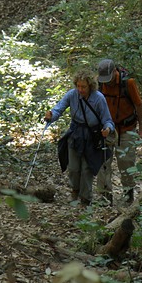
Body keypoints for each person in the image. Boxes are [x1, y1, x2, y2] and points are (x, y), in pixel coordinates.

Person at [45, 69, 114, 207]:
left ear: (90, 86)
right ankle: (75, 191)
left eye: (83, 87)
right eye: (78, 86)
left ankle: (86, 199)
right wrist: (51, 115)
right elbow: (59, 108)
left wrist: (107, 129)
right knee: (74, 168)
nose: (80, 89)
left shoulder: (99, 98)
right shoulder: (72, 95)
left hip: (92, 137)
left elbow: (108, 120)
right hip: (75, 134)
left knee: (87, 169)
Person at [96, 58, 142, 205]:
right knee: (103, 162)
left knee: (126, 162)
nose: (107, 82)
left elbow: (138, 105)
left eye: (109, 79)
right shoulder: (100, 84)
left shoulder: (128, 83)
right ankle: (105, 196)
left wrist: (141, 129)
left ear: (114, 72)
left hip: (126, 128)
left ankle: (128, 193)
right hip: (106, 129)